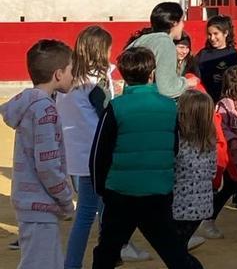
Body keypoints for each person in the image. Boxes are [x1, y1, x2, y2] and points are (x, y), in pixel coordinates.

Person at [90, 47, 195, 269]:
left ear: (124, 75)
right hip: (157, 191)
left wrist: (102, 189)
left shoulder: (116, 107)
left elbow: (100, 152)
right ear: (152, 73)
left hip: (120, 193)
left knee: (107, 252)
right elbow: (174, 147)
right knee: (173, 251)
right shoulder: (169, 106)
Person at [58, 26, 148, 268]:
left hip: (76, 156)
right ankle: (82, 262)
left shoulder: (68, 79)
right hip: (96, 156)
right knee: (91, 212)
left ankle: (112, 252)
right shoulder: (95, 81)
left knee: (101, 209)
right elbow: (110, 114)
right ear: (100, 50)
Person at [0, 40, 75, 269]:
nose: (74, 75)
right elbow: (48, 165)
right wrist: (65, 199)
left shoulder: (32, 104)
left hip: (31, 202)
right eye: (71, 70)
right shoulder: (45, 109)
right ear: (58, 74)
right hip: (40, 205)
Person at [203, 64, 237, 238]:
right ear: (236, 83)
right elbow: (220, 126)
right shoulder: (225, 104)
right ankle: (208, 219)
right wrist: (231, 138)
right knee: (232, 187)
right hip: (233, 156)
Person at [172, 90, 217, 261]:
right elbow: (213, 171)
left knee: (177, 253)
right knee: (179, 249)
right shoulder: (209, 141)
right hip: (202, 207)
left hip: (178, 208)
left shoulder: (177, 140)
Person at [127, 2, 195, 98]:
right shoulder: (165, 43)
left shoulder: (142, 39)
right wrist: (187, 83)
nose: (183, 25)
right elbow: (166, 88)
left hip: (132, 97)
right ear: (174, 23)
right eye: (181, 21)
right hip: (150, 101)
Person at [197, 15, 237, 102]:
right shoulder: (203, 54)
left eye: (216, 34)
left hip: (228, 101)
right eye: (209, 34)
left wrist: (226, 78)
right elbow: (195, 75)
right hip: (206, 101)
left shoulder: (233, 54)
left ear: (225, 33)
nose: (212, 38)